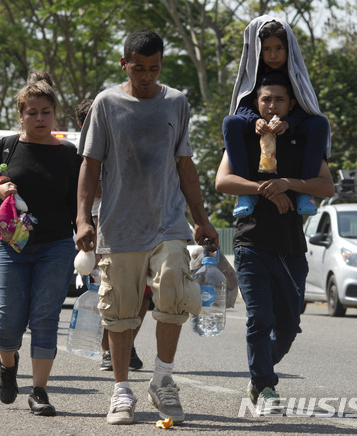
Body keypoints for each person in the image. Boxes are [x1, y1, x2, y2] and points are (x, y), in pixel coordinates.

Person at [76, 30, 219, 425]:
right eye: (138, 68)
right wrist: (83, 218)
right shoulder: (107, 103)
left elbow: (185, 164)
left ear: (161, 65)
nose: (145, 76)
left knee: (174, 287)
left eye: (153, 69)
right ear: (124, 64)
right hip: (120, 226)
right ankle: (121, 391)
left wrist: (201, 219)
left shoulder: (175, 102)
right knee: (120, 312)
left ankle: (163, 379)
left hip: (167, 222)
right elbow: (89, 165)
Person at [215, 72, 334, 415]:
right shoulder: (244, 136)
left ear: (291, 104)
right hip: (251, 240)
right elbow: (223, 181)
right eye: (265, 99)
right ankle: (265, 385)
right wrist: (262, 188)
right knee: (259, 318)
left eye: (279, 99)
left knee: (289, 323)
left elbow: (326, 187)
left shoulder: (302, 140)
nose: (271, 106)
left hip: (291, 245)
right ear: (256, 103)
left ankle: (258, 374)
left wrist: (287, 184)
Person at [0, 71, 81, 416]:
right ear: (20, 114)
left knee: (45, 318)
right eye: (32, 112)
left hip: (57, 245)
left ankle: (39, 390)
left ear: (55, 114)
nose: (39, 118)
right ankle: (7, 365)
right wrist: (0, 191)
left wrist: (87, 231)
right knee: (7, 320)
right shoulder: (7, 146)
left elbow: (80, 202)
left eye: (46, 111)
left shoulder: (68, 153)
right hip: (11, 246)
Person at [223, 15, 330, 218]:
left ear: (288, 49)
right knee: (230, 122)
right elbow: (242, 105)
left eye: (278, 48)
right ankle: (245, 194)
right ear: (258, 51)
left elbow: (305, 106)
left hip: (292, 125)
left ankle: (305, 194)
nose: (273, 55)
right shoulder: (252, 73)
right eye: (266, 49)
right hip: (257, 126)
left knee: (320, 123)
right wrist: (255, 120)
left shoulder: (296, 74)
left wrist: (289, 123)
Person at [75, 98, 148, 372]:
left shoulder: (125, 143)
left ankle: (126, 345)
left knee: (143, 296)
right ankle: (109, 350)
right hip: (101, 232)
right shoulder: (82, 153)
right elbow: (92, 192)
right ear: (85, 125)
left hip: (134, 229)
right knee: (110, 294)